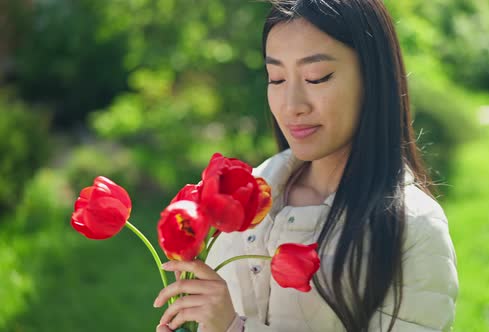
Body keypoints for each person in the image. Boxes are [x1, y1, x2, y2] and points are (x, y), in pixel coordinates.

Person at [154, 0, 458, 331]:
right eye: (277, 78)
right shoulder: (246, 199)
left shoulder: (413, 227)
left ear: (373, 78)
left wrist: (232, 327)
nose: (291, 105)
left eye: (316, 77)